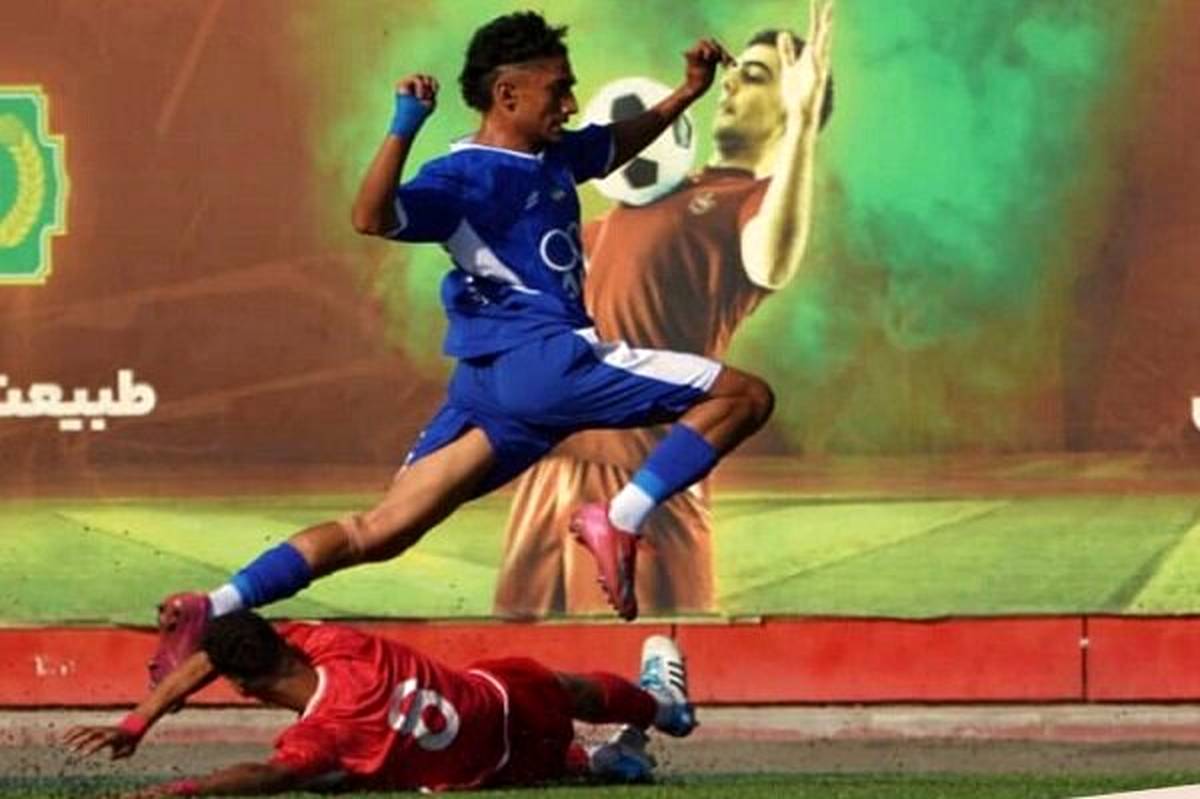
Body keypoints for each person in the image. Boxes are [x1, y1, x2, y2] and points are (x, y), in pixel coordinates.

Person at [147, 9, 776, 685]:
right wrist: (404, 126)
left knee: (377, 531)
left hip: (489, 386)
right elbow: (370, 217)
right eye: (558, 89)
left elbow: (615, 144)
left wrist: (687, 93)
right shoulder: (464, 177)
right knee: (745, 397)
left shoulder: (553, 157)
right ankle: (620, 515)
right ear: (507, 95)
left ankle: (212, 606)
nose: (570, 103)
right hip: (549, 365)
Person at [496, 3, 836, 617]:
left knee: (640, 659)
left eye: (755, 77)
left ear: (793, 105)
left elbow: (774, 259)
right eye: (734, 74)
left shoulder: (750, 203)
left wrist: (804, 126)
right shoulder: (652, 187)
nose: (730, 85)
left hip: (641, 478)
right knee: (514, 654)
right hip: (551, 464)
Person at [66, 612, 693, 795]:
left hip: (494, 769)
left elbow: (265, 775)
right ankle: (661, 710)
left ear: (240, 686)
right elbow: (222, 653)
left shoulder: (322, 736)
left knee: (347, 776)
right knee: (563, 687)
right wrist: (137, 720)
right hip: (501, 701)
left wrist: (179, 790)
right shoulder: (336, 642)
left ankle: (602, 762)